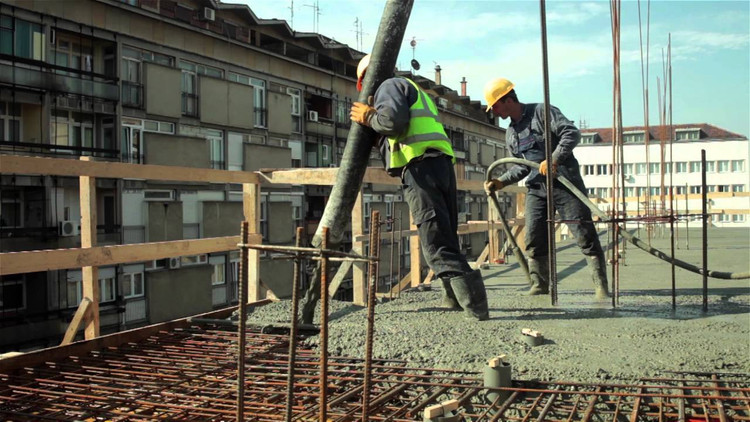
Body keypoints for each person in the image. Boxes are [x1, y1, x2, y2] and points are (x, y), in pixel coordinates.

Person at [349, 54, 489, 320]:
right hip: (440, 166)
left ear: (367, 78)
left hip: (420, 168)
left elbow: (392, 123)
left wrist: (370, 118)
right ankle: (454, 299)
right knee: (445, 236)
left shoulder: (388, 86)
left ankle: (476, 309)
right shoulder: (412, 89)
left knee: (435, 242)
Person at [482, 78, 610, 299]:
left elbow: (572, 133)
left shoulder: (542, 112)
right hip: (537, 189)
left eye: (495, 106)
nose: (493, 111)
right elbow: (521, 167)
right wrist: (501, 181)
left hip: (565, 184)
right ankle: (540, 284)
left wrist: (554, 158)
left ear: (507, 99)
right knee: (534, 236)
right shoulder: (511, 132)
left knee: (582, 233)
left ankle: (600, 287)